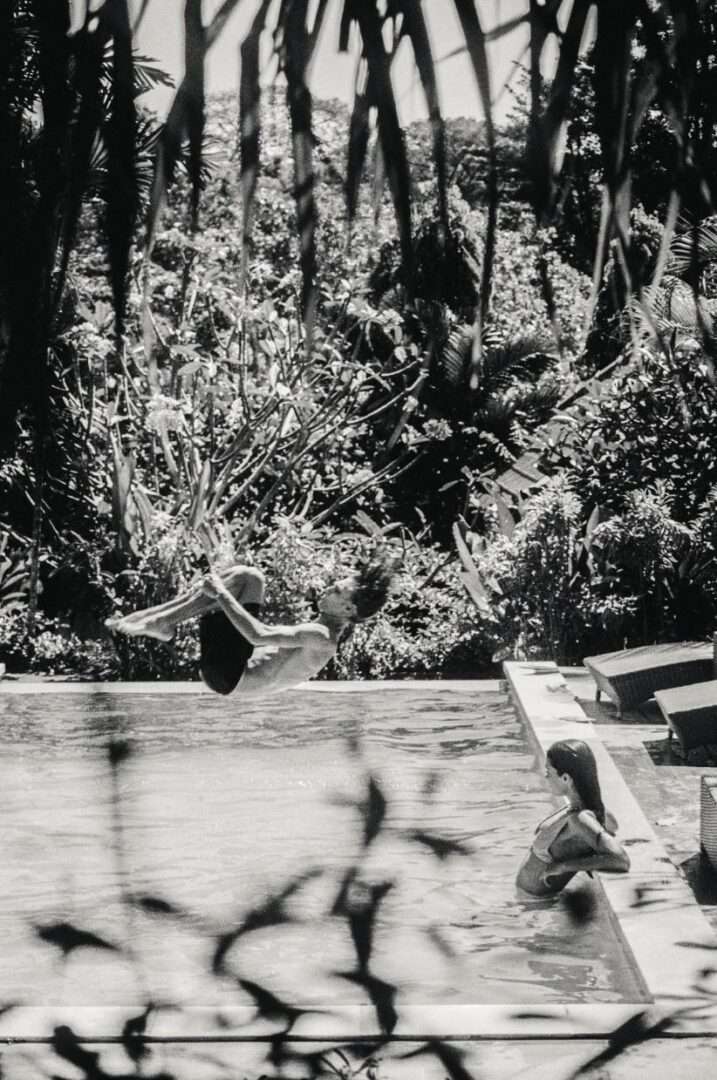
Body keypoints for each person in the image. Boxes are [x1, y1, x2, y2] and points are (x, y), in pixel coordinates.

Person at [105, 558, 394, 697]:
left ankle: (160, 623)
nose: (328, 587)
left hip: (229, 675)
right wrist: (221, 594)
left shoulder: (321, 636)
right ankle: (156, 620)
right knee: (242, 578)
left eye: (337, 590)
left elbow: (259, 635)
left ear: (348, 609)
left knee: (245, 578)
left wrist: (221, 594)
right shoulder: (325, 633)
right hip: (226, 675)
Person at [516, 739, 630, 897]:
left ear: (566, 779)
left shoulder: (580, 818)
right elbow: (612, 826)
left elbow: (621, 860)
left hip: (536, 904)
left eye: (549, 772)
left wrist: (564, 866)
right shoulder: (583, 810)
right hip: (531, 900)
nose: (546, 777)